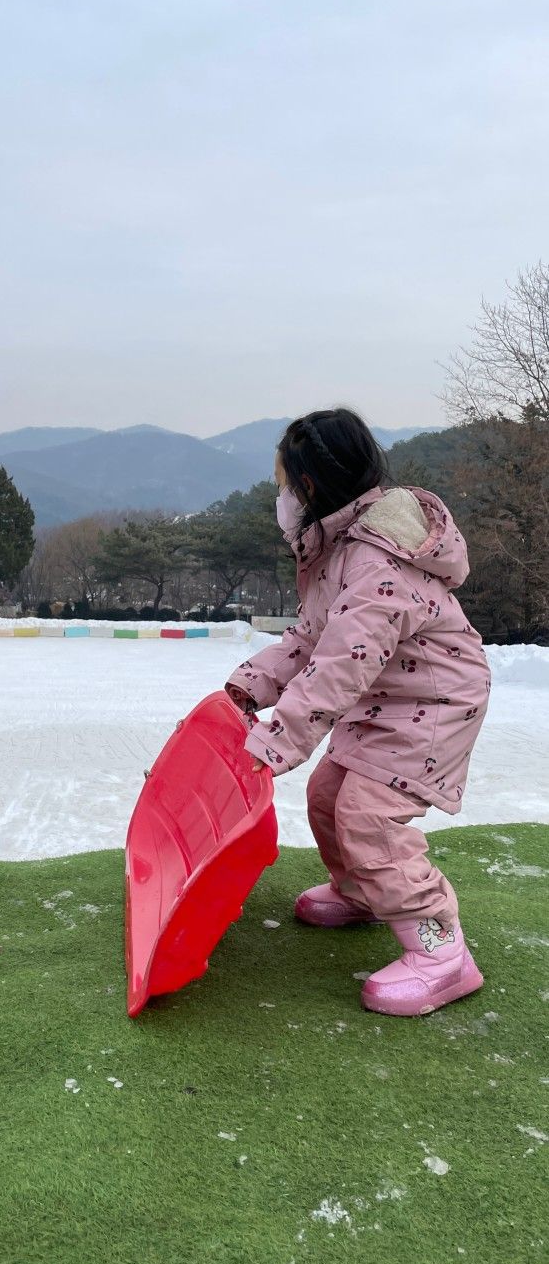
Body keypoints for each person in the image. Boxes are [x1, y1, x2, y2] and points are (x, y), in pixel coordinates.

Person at [225, 409, 490, 1017]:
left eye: (284, 485)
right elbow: (308, 640)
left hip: (436, 705)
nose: (281, 499)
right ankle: (364, 892)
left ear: (311, 487)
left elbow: (341, 664)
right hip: (391, 699)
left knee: (369, 816)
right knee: (328, 793)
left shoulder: (376, 563)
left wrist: (278, 741)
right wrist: (248, 688)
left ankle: (441, 950)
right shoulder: (339, 552)